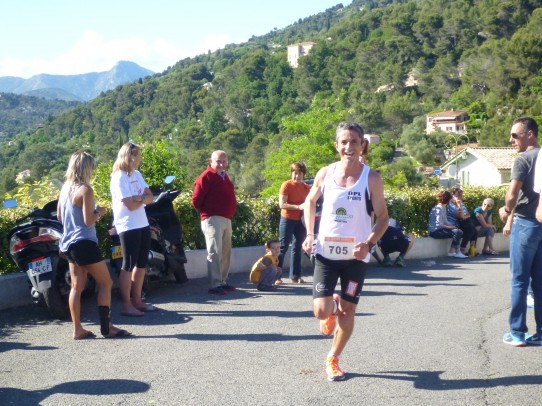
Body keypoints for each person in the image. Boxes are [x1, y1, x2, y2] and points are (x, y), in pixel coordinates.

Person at [302, 122, 389, 381]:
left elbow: (383, 218)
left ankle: (333, 358)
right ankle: (332, 304)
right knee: (320, 311)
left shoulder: (371, 178)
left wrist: (369, 243)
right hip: (326, 255)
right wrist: (309, 234)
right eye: (344, 142)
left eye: (354, 142)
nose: (348, 147)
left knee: (349, 312)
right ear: (336, 145)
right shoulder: (325, 173)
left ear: (363, 145)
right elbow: (309, 201)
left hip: (355, 259)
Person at [58, 151, 130, 339]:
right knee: (106, 283)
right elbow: (89, 221)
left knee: (76, 286)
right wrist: (99, 212)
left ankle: (77, 329)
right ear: (87, 168)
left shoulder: (65, 189)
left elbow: (59, 216)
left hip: (68, 244)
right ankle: (108, 328)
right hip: (84, 243)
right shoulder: (85, 190)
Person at [498, 117, 542, 346]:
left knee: (519, 280)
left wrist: (506, 210)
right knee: (540, 282)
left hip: (525, 223)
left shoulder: (524, 159)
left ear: (530, 134)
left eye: (516, 135)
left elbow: (512, 194)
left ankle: (517, 333)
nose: (511, 140)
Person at [110, 142, 156, 317]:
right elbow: (129, 204)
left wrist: (139, 198)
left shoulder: (136, 174)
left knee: (142, 263)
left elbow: (150, 198)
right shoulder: (119, 177)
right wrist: (140, 199)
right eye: (137, 155)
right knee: (128, 264)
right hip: (128, 225)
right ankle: (126, 304)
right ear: (129, 157)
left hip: (142, 223)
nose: (140, 158)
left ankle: (137, 300)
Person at [192, 150, 237, 295]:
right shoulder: (206, 177)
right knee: (215, 252)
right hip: (212, 219)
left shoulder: (224, 177)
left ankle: (223, 281)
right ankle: (215, 284)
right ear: (211, 161)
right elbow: (196, 200)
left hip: (226, 218)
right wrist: (208, 212)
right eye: (218, 161)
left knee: (225, 252)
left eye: (224, 161)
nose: (221, 164)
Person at [278, 162, 311, 284]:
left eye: (300, 174)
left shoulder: (306, 187)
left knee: (297, 247)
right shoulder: (286, 185)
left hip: (300, 220)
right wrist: (298, 207)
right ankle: (277, 276)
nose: (297, 176)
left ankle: (295, 276)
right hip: (287, 219)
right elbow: (282, 204)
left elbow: (309, 203)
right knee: (282, 247)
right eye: (295, 173)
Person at [428, 190, 468, 258]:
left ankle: (451, 251)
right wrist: (452, 228)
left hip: (439, 230)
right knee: (456, 232)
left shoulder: (443, 207)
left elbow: (445, 221)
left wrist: (454, 227)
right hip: (434, 231)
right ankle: (457, 252)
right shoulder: (439, 208)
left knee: (458, 231)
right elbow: (439, 224)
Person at [447, 187, 477, 255]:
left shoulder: (460, 202)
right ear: (452, 196)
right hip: (457, 222)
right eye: (458, 195)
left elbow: (468, 214)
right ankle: (462, 248)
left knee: (475, 231)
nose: (460, 196)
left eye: (461, 195)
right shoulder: (450, 204)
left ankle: (472, 249)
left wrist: (464, 215)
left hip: (464, 221)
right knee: (470, 229)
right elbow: (461, 216)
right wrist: (458, 204)